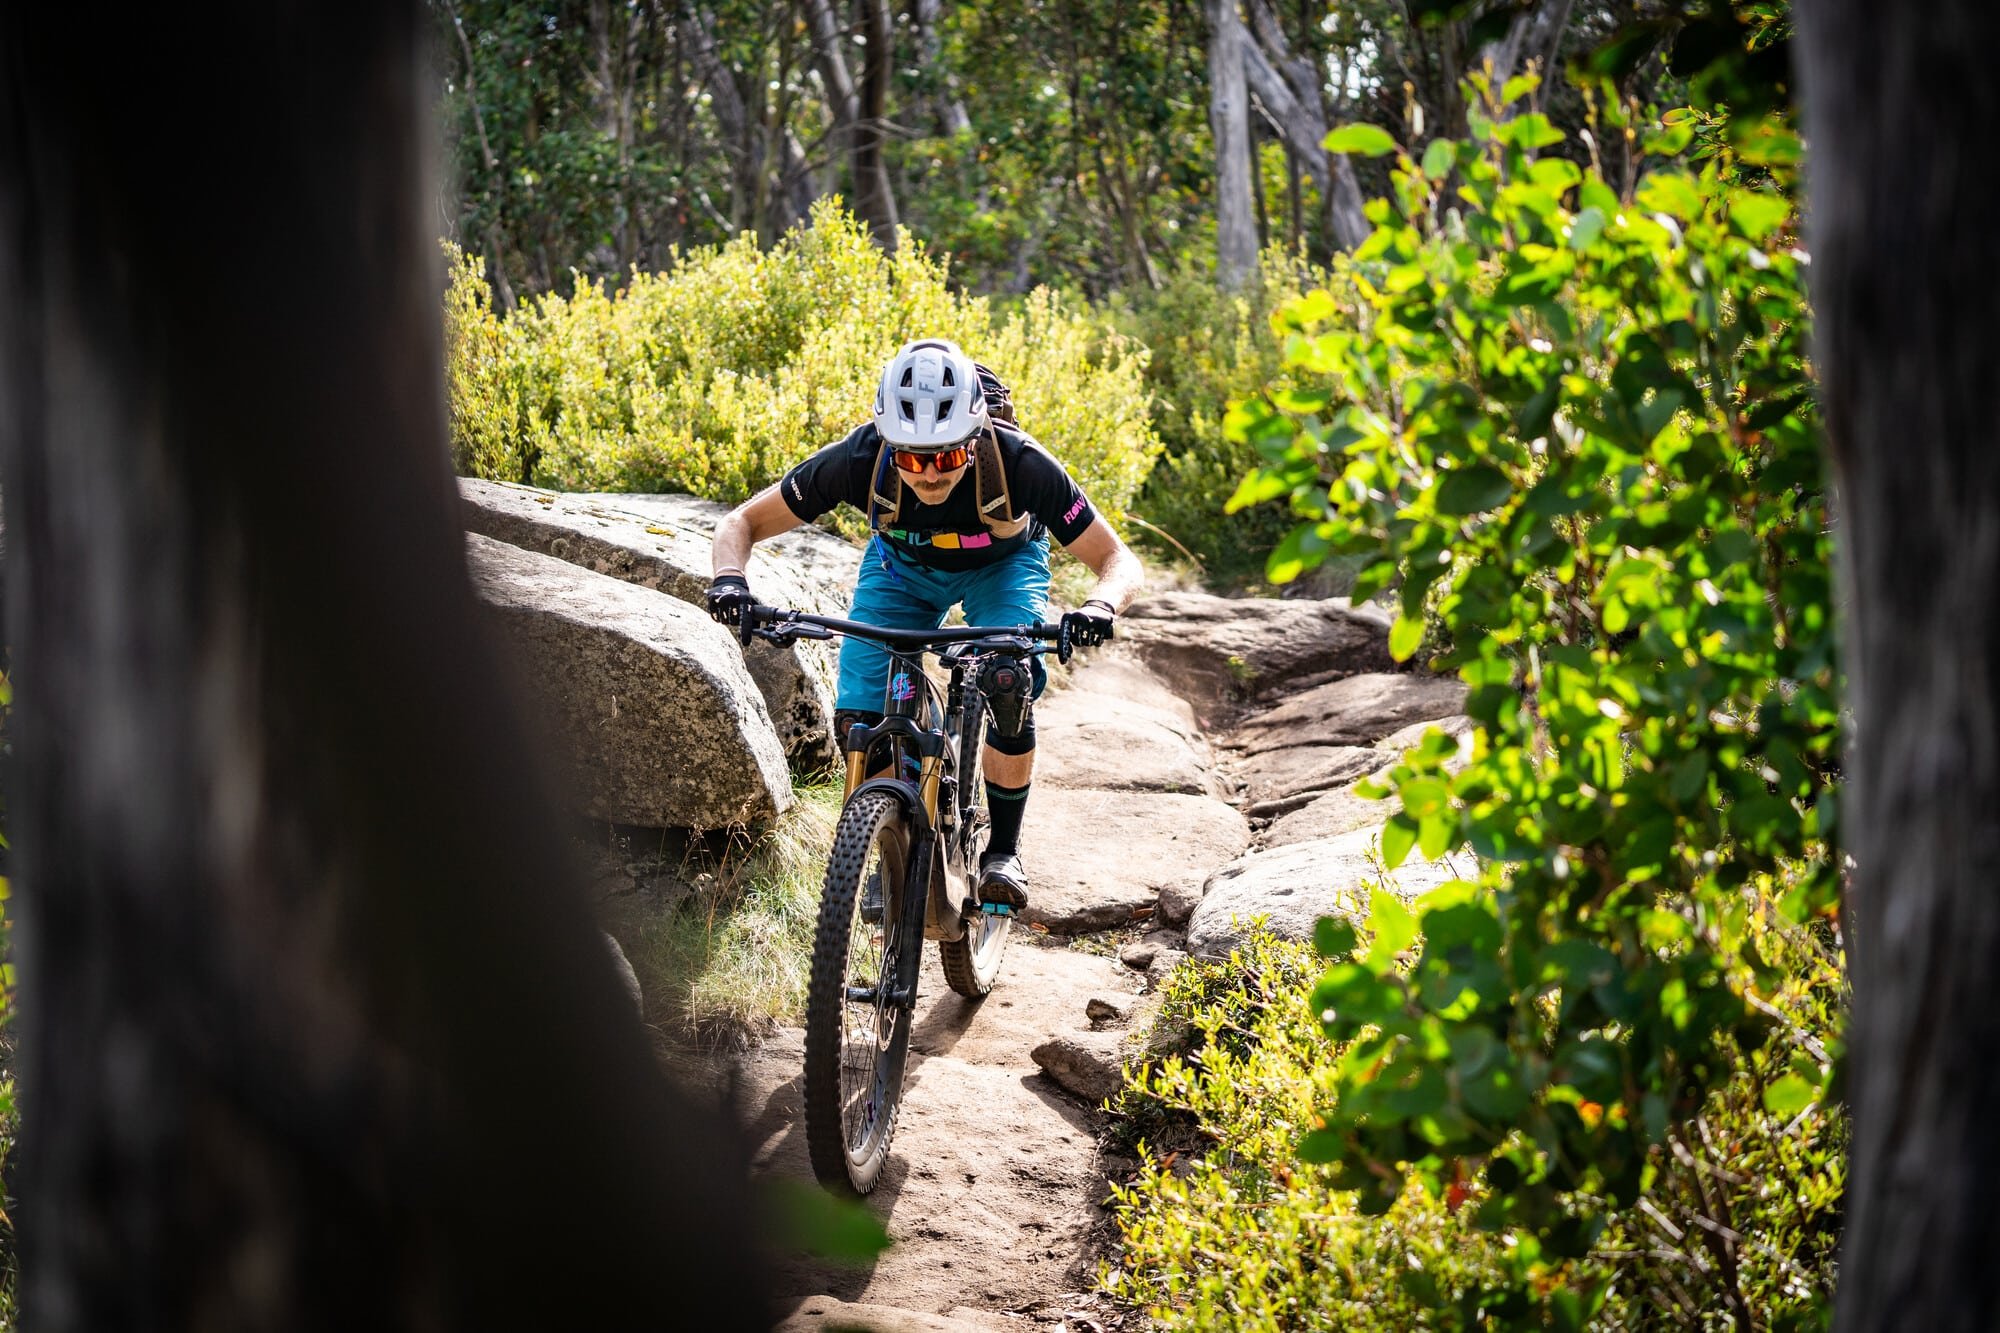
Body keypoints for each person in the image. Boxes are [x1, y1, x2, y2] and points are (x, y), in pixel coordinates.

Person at [704, 338, 1144, 909]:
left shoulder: (1020, 463)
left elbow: (1118, 560)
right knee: (861, 717)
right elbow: (740, 523)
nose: (930, 473)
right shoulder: (859, 459)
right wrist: (730, 581)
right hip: (902, 571)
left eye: (947, 457)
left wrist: (1099, 608)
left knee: (1007, 681)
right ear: (890, 444)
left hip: (1003, 569)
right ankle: (884, 839)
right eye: (912, 459)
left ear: (973, 440)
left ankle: (1003, 854)